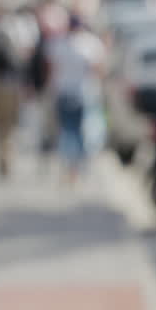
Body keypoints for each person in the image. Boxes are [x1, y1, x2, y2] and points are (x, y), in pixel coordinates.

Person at [45, 11, 105, 185]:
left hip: (65, 92)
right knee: (79, 131)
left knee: (67, 131)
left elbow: (51, 69)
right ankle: (76, 168)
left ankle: (69, 168)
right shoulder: (90, 44)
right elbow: (98, 70)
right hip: (83, 93)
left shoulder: (59, 43)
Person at [0, 4, 23, 179]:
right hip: (8, 85)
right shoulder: (8, 34)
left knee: (0, 125)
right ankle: (6, 161)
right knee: (7, 125)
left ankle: (3, 161)